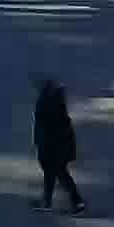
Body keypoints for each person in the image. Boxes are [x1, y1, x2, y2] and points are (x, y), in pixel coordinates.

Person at [32, 80, 87, 214]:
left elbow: (50, 129)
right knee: (53, 174)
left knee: (59, 173)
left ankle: (76, 201)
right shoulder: (53, 103)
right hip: (52, 146)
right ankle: (49, 201)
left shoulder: (50, 105)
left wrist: (43, 144)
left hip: (52, 147)